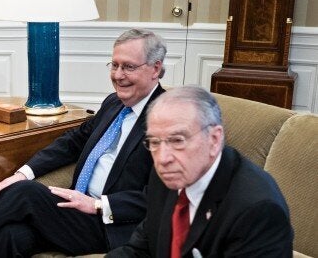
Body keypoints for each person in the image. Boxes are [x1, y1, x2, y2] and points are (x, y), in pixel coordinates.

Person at [0, 28, 168, 257]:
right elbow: (73, 141)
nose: (118, 75)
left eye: (128, 67)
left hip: (110, 225)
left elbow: (161, 198)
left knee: (28, 193)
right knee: (11, 235)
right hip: (74, 209)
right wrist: (23, 173)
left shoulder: (168, 118)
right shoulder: (114, 104)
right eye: (114, 65)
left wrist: (98, 205)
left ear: (156, 69)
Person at [108, 86, 293, 257]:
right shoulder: (166, 176)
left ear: (214, 139)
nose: (163, 158)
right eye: (154, 142)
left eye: (178, 141)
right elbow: (139, 251)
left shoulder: (258, 212)